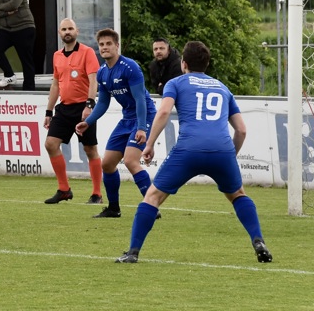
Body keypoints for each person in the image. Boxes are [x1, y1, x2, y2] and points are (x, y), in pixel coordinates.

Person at [116, 41, 272, 264]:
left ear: (183, 63)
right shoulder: (222, 88)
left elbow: (163, 113)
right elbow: (241, 129)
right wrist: (229, 155)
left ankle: (132, 252)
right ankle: (258, 240)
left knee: (153, 196)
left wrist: (149, 144)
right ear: (207, 64)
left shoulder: (176, 83)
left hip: (188, 150)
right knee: (238, 194)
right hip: (222, 150)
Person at [76, 28, 157, 219]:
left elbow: (140, 100)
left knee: (130, 160)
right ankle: (113, 209)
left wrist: (141, 128)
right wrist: (87, 122)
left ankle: (152, 206)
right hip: (127, 119)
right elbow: (103, 102)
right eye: (101, 45)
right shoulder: (102, 72)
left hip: (143, 116)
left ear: (117, 45)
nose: (104, 48)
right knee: (107, 164)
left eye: (108, 44)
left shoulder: (130, 67)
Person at [43, 18, 103, 205]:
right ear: (60, 33)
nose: (67, 32)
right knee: (51, 144)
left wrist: (89, 105)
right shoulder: (57, 56)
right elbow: (55, 84)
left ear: (77, 31)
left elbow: (94, 81)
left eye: (70, 28)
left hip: (83, 108)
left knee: (90, 149)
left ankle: (97, 194)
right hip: (64, 108)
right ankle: (63, 189)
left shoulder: (87, 52)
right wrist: (49, 111)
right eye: (63, 29)